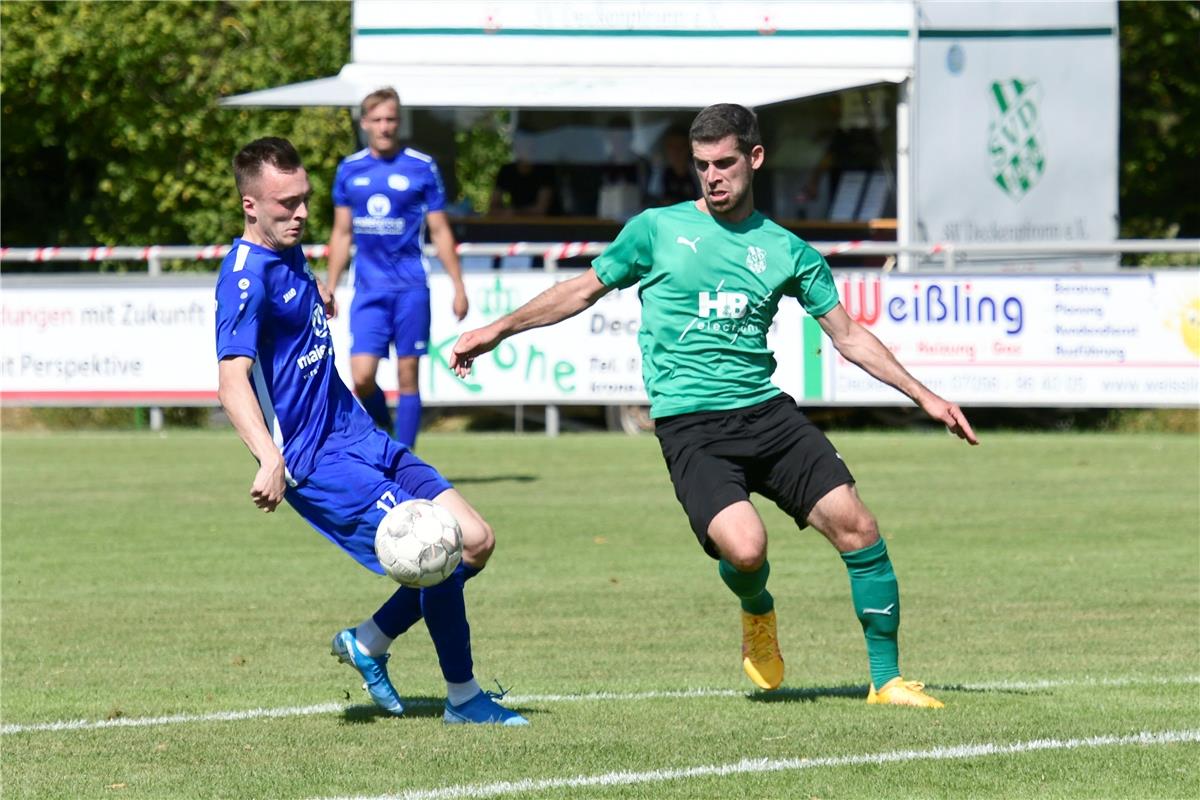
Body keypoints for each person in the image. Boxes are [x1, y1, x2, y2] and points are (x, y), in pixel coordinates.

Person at [450, 104, 978, 708]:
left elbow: (849, 335)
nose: (712, 176)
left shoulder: (787, 250)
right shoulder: (655, 230)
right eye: (702, 165)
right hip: (692, 426)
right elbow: (581, 289)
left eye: (724, 162)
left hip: (767, 414)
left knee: (859, 527)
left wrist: (926, 396)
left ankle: (886, 680)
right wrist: (498, 329)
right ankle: (757, 610)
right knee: (747, 548)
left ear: (754, 158)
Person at [215, 136, 526, 726]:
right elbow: (232, 381)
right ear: (251, 206)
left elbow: (294, 317)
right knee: (439, 550)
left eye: (304, 199)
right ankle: (464, 699)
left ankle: (369, 640)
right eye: (286, 204)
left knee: (476, 540)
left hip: (359, 434)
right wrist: (267, 458)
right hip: (318, 461)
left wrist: (318, 293)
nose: (301, 213)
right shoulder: (243, 278)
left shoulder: (289, 252)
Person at [324, 87, 468, 449]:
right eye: (377, 119)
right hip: (368, 289)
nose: (384, 126)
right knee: (362, 377)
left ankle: (405, 461)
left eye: (391, 119)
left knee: (407, 376)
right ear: (364, 123)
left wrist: (458, 285)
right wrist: (329, 285)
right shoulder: (350, 170)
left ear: (399, 123)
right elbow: (341, 233)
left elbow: (439, 229)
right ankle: (385, 434)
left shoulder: (421, 167)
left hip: (410, 288)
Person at [646, 126, 700, 207]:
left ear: (689, 149)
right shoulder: (660, 173)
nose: (676, 152)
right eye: (672, 147)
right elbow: (654, 198)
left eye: (681, 147)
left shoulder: (698, 173)